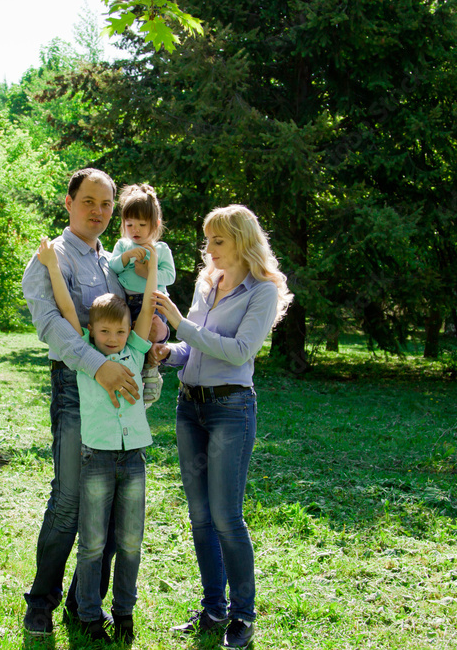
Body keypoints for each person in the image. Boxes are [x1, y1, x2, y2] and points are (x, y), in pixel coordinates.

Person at [152, 205, 293, 649]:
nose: (209, 249)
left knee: (226, 517)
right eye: (207, 240)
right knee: (200, 517)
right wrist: (168, 353)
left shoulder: (262, 292)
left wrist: (179, 324)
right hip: (189, 408)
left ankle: (243, 616)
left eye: (218, 240)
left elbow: (238, 351)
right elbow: (195, 349)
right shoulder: (207, 284)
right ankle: (213, 609)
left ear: (243, 242)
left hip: (230, 409)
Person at [20, 168, 141, 637]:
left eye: (107, 204)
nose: (98, 211)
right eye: (89, 201)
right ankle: (41, 603)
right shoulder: (50, 258)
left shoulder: (113, 264)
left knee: (107, 508)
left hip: (115, 398)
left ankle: (82, 603)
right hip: (75, 389)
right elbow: (51, 325)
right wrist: (98, 366)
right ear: (68, 202)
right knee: (69, 501)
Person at [35, 236, 158, 645]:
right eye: (104, 330)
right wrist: (53, 265)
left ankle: (124, 613)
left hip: (134, 459)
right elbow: (67, 311)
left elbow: (147, 310)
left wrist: (152, 269)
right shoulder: (87, 358)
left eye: (120, 331)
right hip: (97, 458)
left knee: (130, 542)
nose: (113, 338)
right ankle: (87, 615)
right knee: (92, 542)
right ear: (92, 331)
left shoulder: (135, 350)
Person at [107, 184, 176, 408]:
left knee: (151, 335)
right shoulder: (123, 245)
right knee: (130, 341)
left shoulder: (160, 249)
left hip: (153, 302)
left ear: (155, 225)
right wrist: (126, 257)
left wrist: (149, 272)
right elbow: (112, 267)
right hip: (127, 303)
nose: (135, 230)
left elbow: (170, 276)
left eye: (142, 225)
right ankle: (130, 377)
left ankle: (152, 372)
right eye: (129, 225)